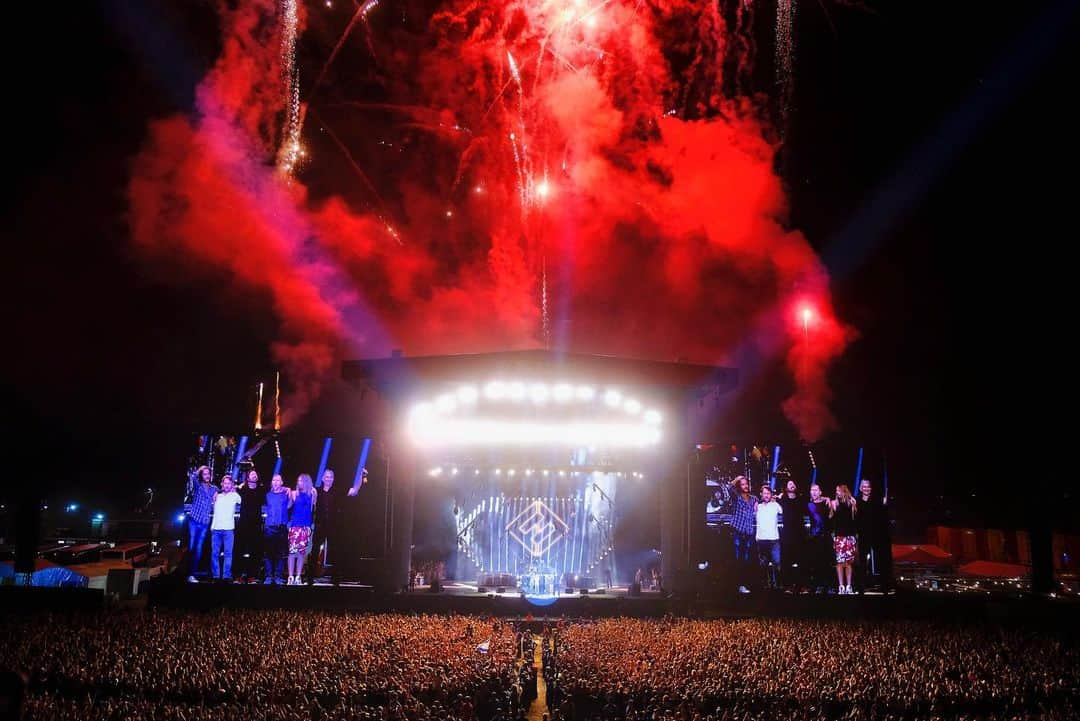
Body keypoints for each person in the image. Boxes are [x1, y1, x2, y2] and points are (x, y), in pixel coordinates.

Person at [854, 478, 892, 592]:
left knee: (880, 559)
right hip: (863, 534)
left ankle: (884, 584)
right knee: (862, 561)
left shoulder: (876, 500)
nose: (866, 488)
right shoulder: (856, 500)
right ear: (861, 488)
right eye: (864, 486)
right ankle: (861, 585)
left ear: (871, 488)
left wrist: (884, 503)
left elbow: (883, 514)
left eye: (868, 486)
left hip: (876, 534)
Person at [308, 468, 344, 585]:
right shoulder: (317, 491)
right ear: (323, 478)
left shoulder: (337, 491)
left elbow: (353, 491)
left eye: (331, 477)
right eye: (327, 477)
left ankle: (336, 578)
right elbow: (312, 503)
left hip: (333, 525)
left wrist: (360, 477)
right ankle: (310, 577)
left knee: (335, 551)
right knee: (315, 550)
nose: (329, 479)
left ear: (333, 479)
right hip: (320, 524)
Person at [186, 466, 216, 583]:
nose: (207, 476)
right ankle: (186, 572)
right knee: (191, 547)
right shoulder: (198, 485)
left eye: (208, 474)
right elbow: (193, 476)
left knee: (198, 549)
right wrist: (201, 469)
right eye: (204, 474)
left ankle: (192, 574)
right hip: (194, 520)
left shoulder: (214, 489)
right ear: (201, 476)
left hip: (204, 523)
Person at [209, 474, 241, 582]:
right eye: (225, 483)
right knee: (215, 553)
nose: (227, 485)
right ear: (222, 484)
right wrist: (212, 527)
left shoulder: (235, 496)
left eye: (229, 483)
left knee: (228, 553)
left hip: (228, 529)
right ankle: (216, 576)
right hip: (216, 529)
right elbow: (213, 509)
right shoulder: (217, 496)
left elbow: (242, 500)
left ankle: (226, 575)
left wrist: (236, 489)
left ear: (231, 484)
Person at [728, 475, 757, 593]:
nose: (745, 486)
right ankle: (736, 585)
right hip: (738, 531)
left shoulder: (754, 499)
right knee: (737, 559)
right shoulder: (737, 497)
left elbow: (756, 512)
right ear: (740, 486)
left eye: (746, 484)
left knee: (746, 560)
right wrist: (738, 478)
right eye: (743, 484)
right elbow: (729, 487)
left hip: (748, 532)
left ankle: (743, 585)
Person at [776, 479, 806, 591]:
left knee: (801, 560)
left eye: (794, 483)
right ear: (786, 487)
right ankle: (787, 585)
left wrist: (826, 498)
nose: (792, 485)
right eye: (790, 484)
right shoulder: (782, 499)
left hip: (799, 533)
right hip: (788, 534)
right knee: (786, 561)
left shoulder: (801, 499)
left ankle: (800, 585)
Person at [828, 484, 858, 595]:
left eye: (839, 491)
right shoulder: (834, 503)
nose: (837, 492)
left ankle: (849, 586)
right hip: (839, 536)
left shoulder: (851, 502)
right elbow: (831, 519)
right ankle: (841, 586)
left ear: (844, 491)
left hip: (849, 536)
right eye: (836, 491)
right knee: (839, 563)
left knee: (848, 563)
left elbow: (854, 519)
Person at [287, 473, 316, 585]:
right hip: (295, 525)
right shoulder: (294, 493)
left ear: (307, 482)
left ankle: (298, 576)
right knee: (292, 552)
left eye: (302, 481)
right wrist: (288, 494)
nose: (299, 483)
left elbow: (314, 506)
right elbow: (288, 506)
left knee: (301, 553)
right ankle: (290, 576)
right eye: (298, 481)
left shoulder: (312, 493)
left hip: (306, 526)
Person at [235, 469, 263, 582]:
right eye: (252, 474)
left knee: (255, 551)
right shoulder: (242, 489)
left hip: (255, 524)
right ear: (247, 477)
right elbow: (233, 488)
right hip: (243, 524)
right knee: (239, 550)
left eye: (256, 474)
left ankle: (252, 575)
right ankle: (238, 575)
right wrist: (239, 486)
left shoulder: (261, 490)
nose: (254, 476)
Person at [263, 473, 290, 585]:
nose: (275, 482)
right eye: (274, 480)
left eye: (278, 480)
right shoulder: (267, 495)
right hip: (270, 527)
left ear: (282, 482)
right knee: (268, 553)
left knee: (281, 553)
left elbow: (291, 503)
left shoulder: (286, 494)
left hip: (282, 527)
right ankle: (269, 576)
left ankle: (278, 576)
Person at [805, 483, 832, 592]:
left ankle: (827, 585)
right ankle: (815, 585)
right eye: (812, 490)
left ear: (820, 492)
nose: (814, 492)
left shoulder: (827, 503)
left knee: (826, 562)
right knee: (815, 562)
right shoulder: (809, 505)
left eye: (816, 490)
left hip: (825, 536)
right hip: (814, 537)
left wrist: (827, 498)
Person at [755, 485, 782, 590]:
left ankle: (777, 584)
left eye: (768, 493)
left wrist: (778, 498)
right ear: (761, 494)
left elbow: (784, 510)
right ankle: (766, 585)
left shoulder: (776, 505)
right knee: (763, 564)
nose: (766, 495)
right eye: (764, 493)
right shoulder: (757, 506)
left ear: (771, 495)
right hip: (761, 539)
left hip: (774, 539)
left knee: (777, 562)